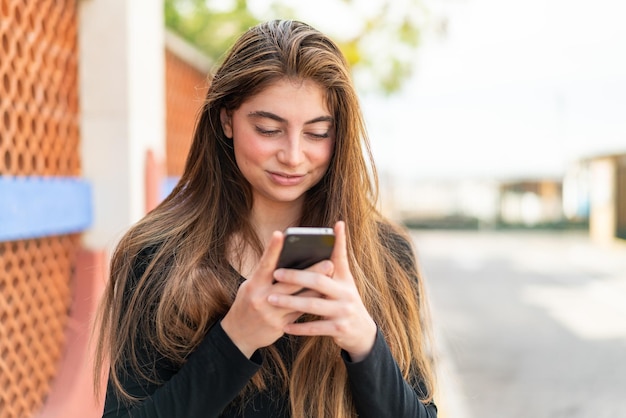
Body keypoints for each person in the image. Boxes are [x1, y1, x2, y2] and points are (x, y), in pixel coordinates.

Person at [93, 19, 437, 418]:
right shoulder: (157, 254)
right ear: (227, 121)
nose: (293, 155)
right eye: (269, 129)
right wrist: (235, 338)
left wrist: (364, 342)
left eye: (317, 133)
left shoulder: (386, 254)